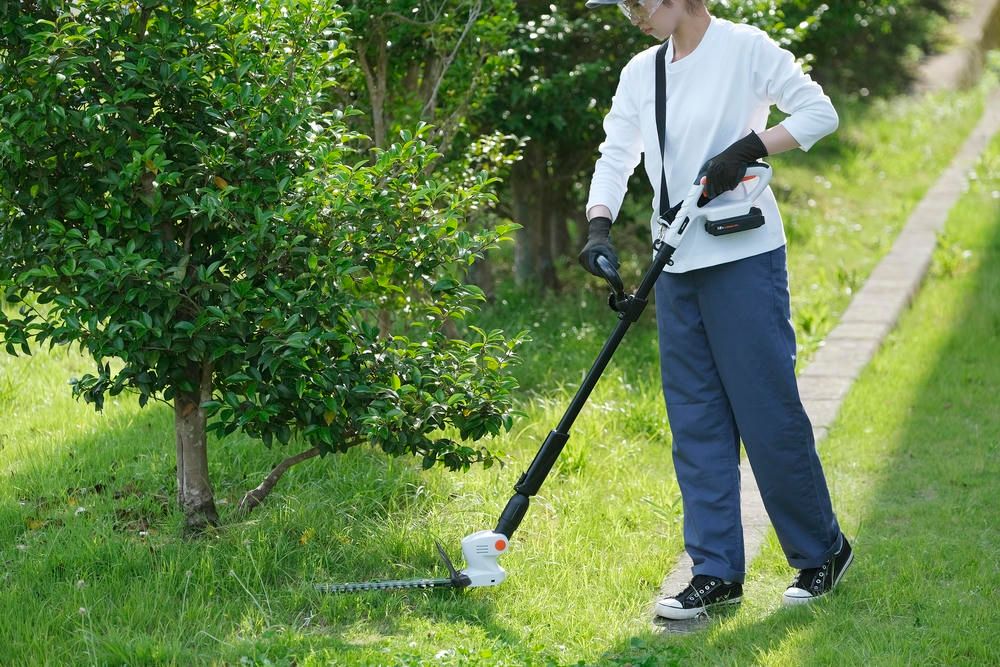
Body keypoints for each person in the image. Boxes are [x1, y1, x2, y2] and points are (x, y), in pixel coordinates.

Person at [580, 0, 853, 621]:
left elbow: (820, 113)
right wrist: (598, 226)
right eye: (620, 5)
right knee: (696, 421)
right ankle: (715, 572)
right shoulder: (641, 72)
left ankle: (822, 551)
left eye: (637, 1)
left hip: (743, 256)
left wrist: (749, 147)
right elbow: (616, 154)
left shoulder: (744, 47)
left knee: (765, 411)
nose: (630, 13)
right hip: (674, 264)